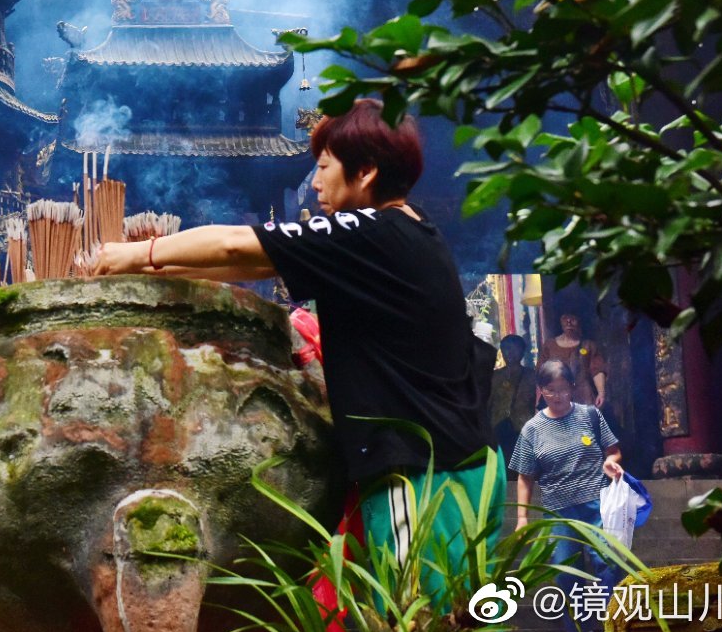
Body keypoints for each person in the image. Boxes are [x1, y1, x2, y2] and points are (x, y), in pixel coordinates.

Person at [96, 98, 499, 600]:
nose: (314, 183)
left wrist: (138, 251)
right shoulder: (404, 234)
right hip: (460, 467)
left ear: (367, 171)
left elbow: (234, 245)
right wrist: (150, 269)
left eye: (325, 167)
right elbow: (255, 264)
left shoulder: (370, 233)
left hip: (422, 476)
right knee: (462, 623)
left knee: (419, 622)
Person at [510, 360, 623, 632]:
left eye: (563, 389)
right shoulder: (532, 429)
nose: (558, 396)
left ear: (572, 387)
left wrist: (611, 462)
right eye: (551, 390)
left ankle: (611, 628)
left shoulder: (590, 416)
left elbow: (614, 450)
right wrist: (522, 518)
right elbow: (525, 476)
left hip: (596, 504)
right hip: (558, 512)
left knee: (609, 565)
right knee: (565, 574)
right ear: (540, 390)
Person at [539, 309, 606, 408]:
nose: (568, 322)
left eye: (573, 318)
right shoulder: (549, 346)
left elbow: (597, 370)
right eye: (565, 318)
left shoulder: (588, 345)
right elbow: (541, 374)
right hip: (557, 399)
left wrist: (601, 393)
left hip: (583, 397)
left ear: (580, 320)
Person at [491, 334, 538, 466]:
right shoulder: (495, 376)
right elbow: (488, 402)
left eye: (514, 348)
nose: (509, 352)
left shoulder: (532, 376)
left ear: (522, 351)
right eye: (505, 348)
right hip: (497, 426)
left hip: (522, 427)